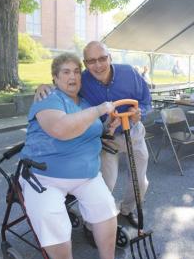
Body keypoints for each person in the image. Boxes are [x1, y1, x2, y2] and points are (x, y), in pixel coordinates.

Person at [35, 41, 152, 230]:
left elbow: (146, 101)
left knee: (140, 181)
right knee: (105, 184)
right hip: (107, 138)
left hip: (134, 132)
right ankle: (92, 224)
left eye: (102, 58)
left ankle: (127, 209)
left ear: (110, 57)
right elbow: (63, 87)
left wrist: (139, 113)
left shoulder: (129, 73)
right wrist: (41, 87)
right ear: (85, 63)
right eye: (91, 61)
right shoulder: (82, 80)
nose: (98, 65)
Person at [20, 52, 120, 259]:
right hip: (45, 176)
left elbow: (89, 129)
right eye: (65, 72)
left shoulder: (84, 102)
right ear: (55, 78)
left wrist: (106, 128)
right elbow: (61, 128)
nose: (72, 76)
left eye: (76, 71)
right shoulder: (49, 98)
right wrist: (99, 110)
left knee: (106, 208)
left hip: (86, 175)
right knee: (51, 217)